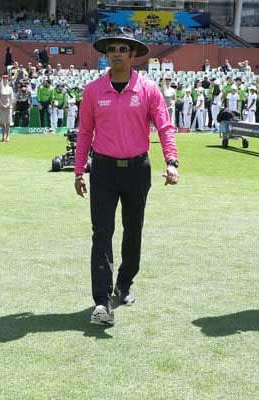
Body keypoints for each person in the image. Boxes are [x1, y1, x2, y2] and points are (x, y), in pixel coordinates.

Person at [74, 28, 178, 326]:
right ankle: (102, 301)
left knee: (133, 231)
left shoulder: (148, 89)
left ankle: (125, 284)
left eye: (123, 49)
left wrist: (172, 161)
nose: (117, 53)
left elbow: (165, 127)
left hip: (137, 170)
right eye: (112, 49)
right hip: (103, 170)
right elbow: (84, 133)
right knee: (102, 234)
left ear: (133, 55)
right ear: (107, 54)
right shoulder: (93, 90)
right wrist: (79, 170)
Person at [0, 73, 14, 142]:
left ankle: (8, 136)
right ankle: (3, 136)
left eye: (6, 79)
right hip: (2, 106)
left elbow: (11, 98)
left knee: (8, 122)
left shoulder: (10, 88)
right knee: (2, 123)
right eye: (4, 79)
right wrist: (2, 104)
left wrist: (8, 105)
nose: (5, 80)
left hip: (8, 107)